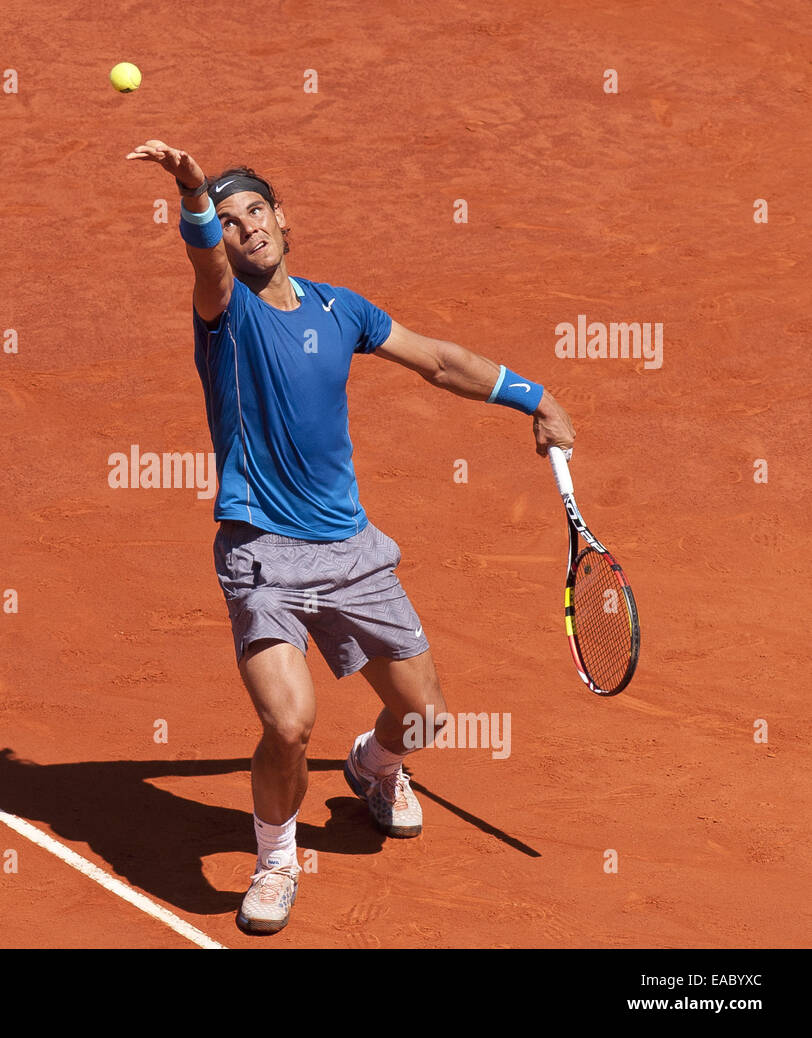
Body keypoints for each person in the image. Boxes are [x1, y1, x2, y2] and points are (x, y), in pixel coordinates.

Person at [126, 140, 576, 935]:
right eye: (227, 222)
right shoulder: (225, 315)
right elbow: (203, 259)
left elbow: (438, 361)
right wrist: (192, 192)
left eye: (254, 211)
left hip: (351, 550)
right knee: (289, 723)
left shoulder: (344, 310)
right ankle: (275, 860)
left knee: (427, 716)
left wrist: (533, 397)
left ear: (283, 219)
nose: (243, 229)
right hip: (261, 553)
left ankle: (372, 768)